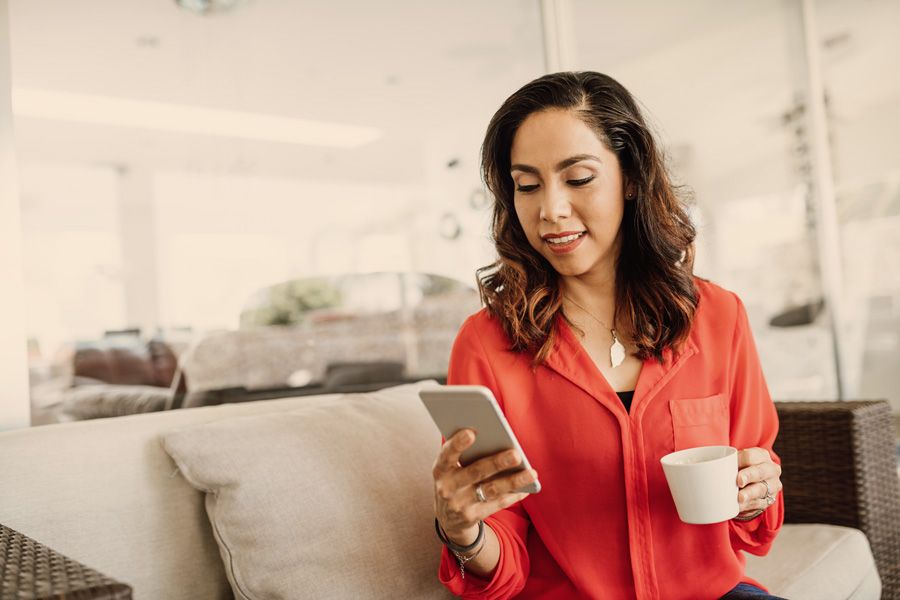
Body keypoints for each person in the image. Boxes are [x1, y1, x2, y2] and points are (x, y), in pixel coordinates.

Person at [430, 72, 784, 600]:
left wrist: (759, 491)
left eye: (577, 179)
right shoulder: (486, 344)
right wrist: (463, 532)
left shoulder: (717, 316)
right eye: (527, 185)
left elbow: (753, 517)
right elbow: (503, 562)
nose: (550, 209)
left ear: (632, 179)